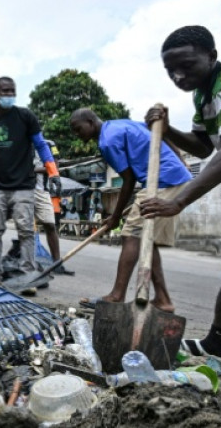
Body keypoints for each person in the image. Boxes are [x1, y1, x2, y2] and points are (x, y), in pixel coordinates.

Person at [140, 25, 221, 388]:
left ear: (211, 56)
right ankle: (216, 342)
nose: (179, 76)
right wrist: (167, 129)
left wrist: (179, 201)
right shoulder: (204, 95)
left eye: (186, 65)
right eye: (171, 71)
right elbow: (203, 147)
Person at [69, 108, 191, 312]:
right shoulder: (122, 124)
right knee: (146, 239)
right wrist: (181, 160)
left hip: (162, 180)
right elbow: (158, 132)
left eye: (78, 129)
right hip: (174, 177)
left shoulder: (107, 141)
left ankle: (117, 296)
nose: (77, 134)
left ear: (90, 121)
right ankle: (163, 299)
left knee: (131, 236)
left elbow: (128, 180)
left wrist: (115, 217)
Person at [0, 77, 60, 296]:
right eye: (5, 91)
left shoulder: (26, 117)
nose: (9, 95)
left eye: (12, 91)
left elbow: (40, 145)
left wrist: (53, 172)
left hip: (24, 187)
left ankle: (27, 276)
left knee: (26, 232)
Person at [33, 140, 69, 275]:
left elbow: (54, 166)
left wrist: (32, 170)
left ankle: (56, 261)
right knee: (26, 227)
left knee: (50, 225)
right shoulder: (22, 141)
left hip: (42, 191)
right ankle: (28, 262)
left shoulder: (49, 144)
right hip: (24, 190)